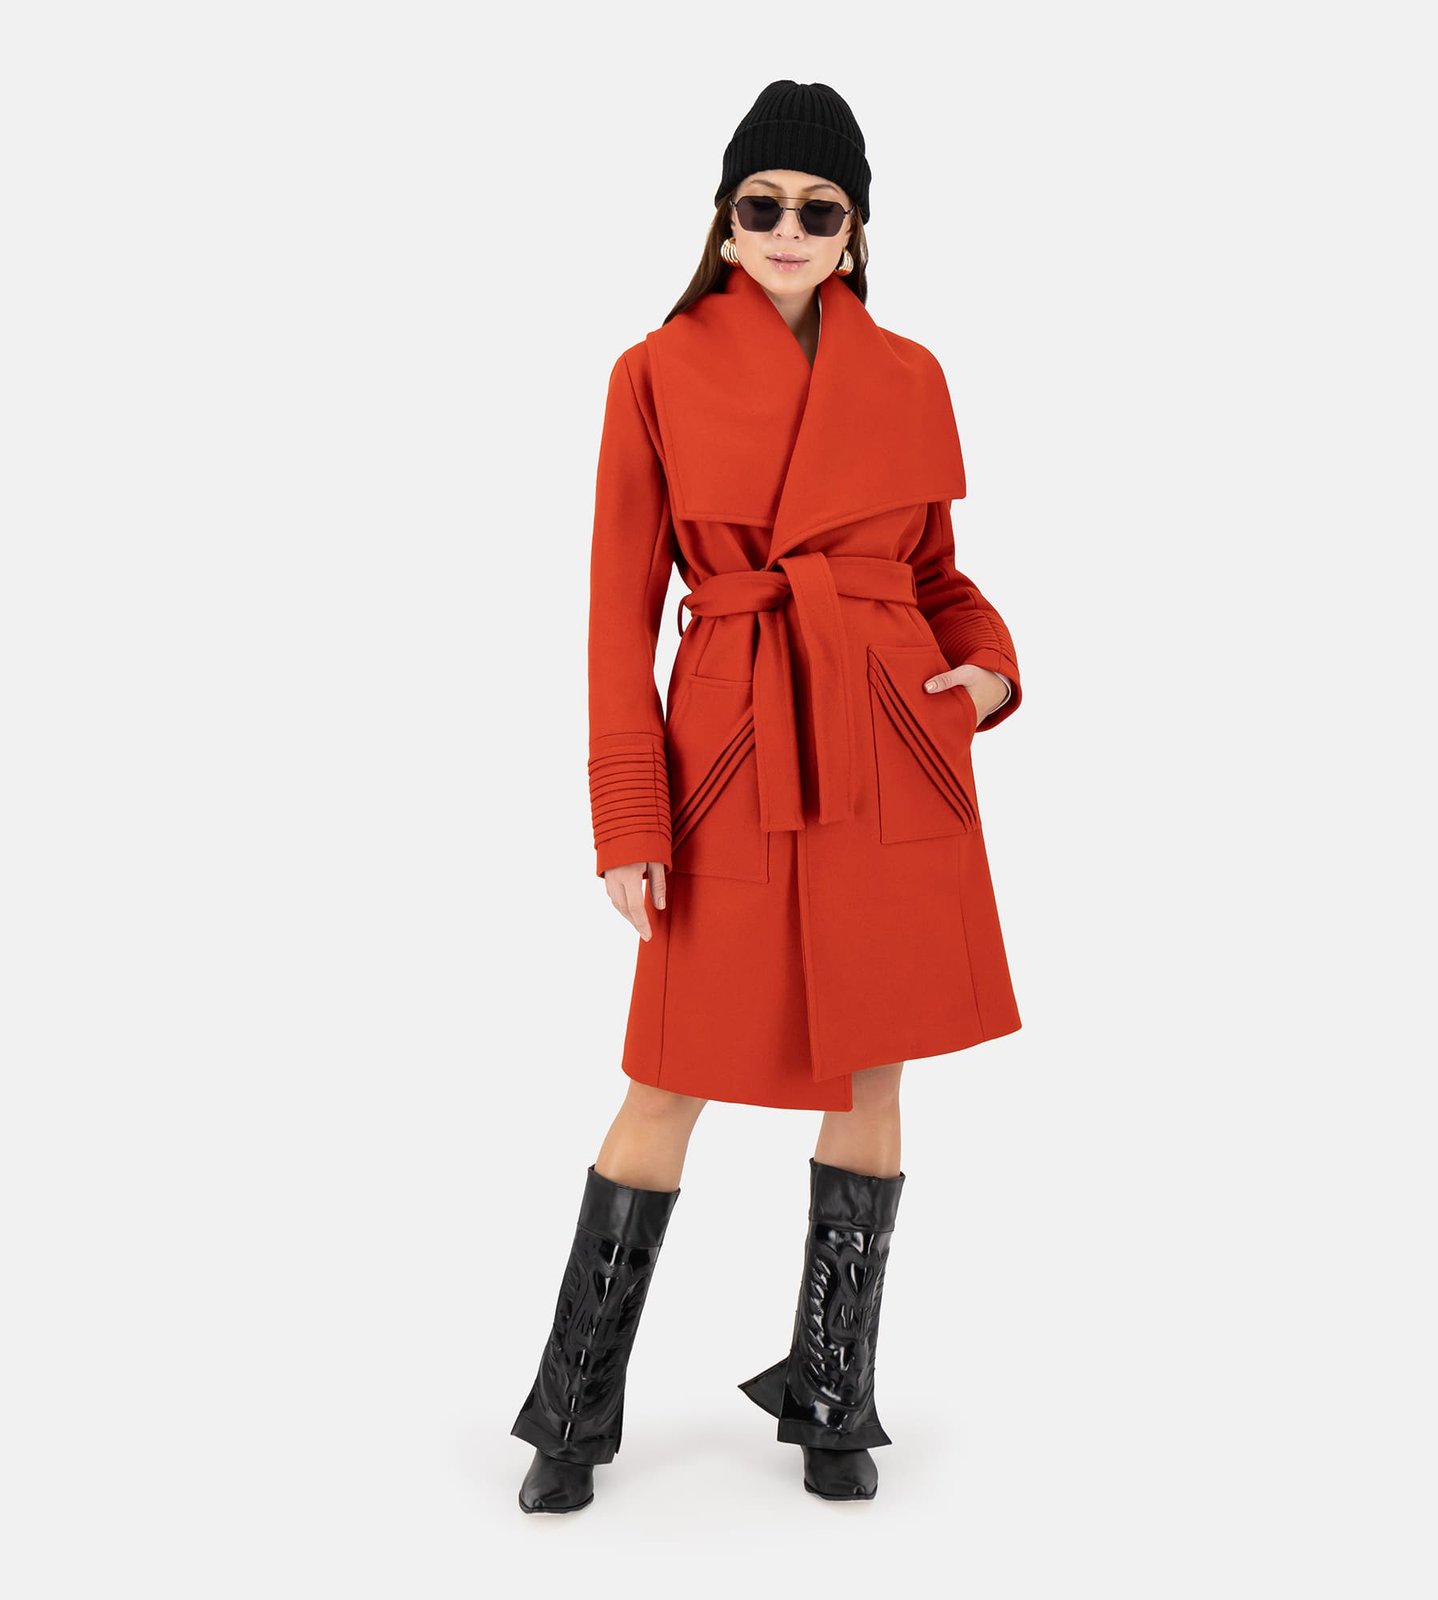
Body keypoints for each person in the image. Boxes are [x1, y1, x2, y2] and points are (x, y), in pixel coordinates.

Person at [510, 79, 1024, 1513]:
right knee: (668, 1071)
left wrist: (989, 668)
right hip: (733, 748)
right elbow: (618, 614)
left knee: (874, 1066)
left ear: (855, 230)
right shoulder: (653, 371)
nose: (789, 227)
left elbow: (933, 575)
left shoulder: (909, 374)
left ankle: (832, 1396)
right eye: (763, 204)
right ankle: (573, 1409)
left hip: (888, 743)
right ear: (725, 223)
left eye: (819, 207)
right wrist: (629, 814)